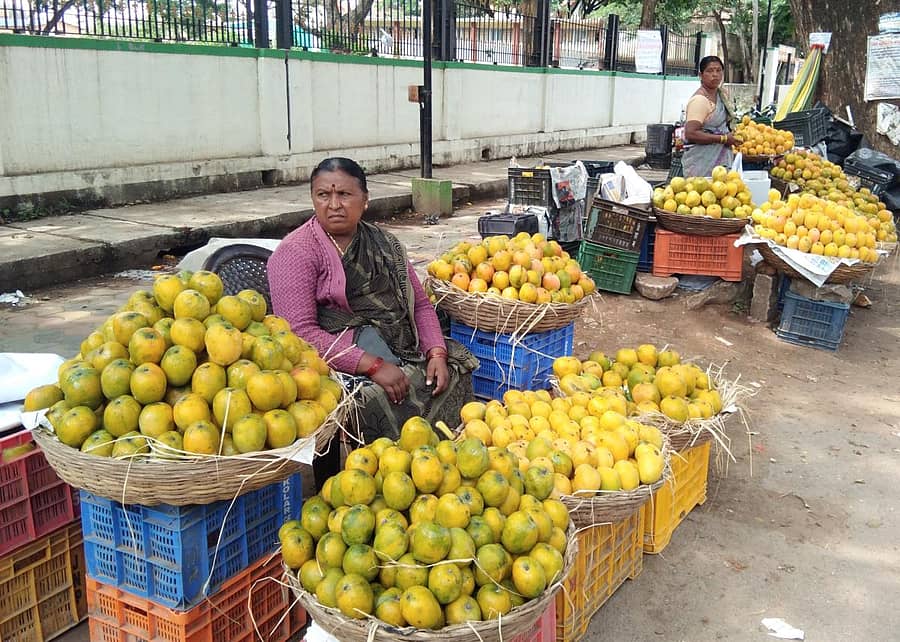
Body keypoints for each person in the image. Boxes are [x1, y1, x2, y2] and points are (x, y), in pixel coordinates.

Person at [267, 157, 477, 489]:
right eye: (323, 195)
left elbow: (419, 304)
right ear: (313, 199)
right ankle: (378, 479)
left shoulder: (384, 243)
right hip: (334, 356)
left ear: (365, 201)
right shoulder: (296, 253)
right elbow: (299, 334)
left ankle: (437, 468)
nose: (334, 205)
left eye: (345, 195)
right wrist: (371, 364)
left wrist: (435, 352)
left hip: (398, 342)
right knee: (377, 398)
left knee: (455, 364)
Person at [682, 55, 739, 178]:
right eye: (710, 71)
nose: (715, 74)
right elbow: (691, 133)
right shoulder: (699, 100)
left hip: (720, 163)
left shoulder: (721, 95)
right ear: (701, 75)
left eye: (718, 70)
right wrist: (723, 139)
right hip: (702, 163)